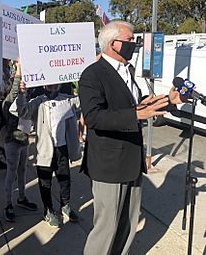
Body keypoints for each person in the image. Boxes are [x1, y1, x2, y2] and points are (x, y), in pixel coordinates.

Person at [79, 21, 181, 255]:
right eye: (130, 40)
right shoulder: (92, 74)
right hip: (109, 165)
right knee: (107, 228)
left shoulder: (128, 71)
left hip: (132, 161)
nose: (134, 45)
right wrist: (136, 113)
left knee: (127, 225)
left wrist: (168, 101)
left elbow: (136, 106)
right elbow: (94, 117)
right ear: (113, 43)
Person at [16, 82, 82, 227]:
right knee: (45, 182)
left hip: (62, 148)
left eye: (56, 85)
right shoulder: (38, 102)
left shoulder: (67, 100)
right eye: (50, 85)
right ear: (44, 85)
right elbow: (21, 111)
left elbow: (84, 100)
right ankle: (48, 211)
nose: (53, 87)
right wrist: (21, 93)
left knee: (65, 180)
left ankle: (66, 205)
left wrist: (85, 83)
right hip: (44, 150)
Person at [2, 59, 37, 222]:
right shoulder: (8, 101)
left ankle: (22, 198)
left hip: (23, 140)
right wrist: (20, 67)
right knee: (11, 172)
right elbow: (16, 88)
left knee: (23, 170)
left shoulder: (25, 98)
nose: (23, 88)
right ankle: (8, 203)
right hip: (12, 141)